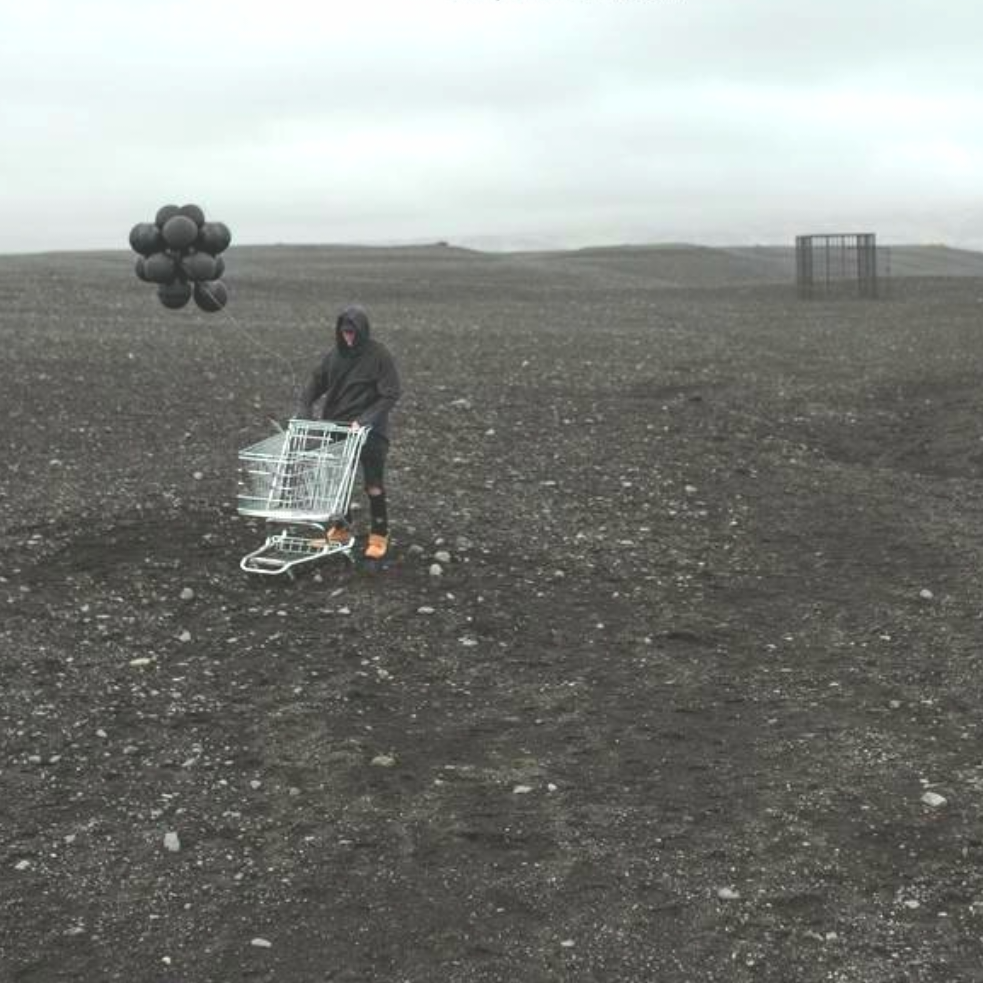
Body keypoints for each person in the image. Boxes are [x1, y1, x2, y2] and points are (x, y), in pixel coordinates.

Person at [295, 303, 401, 560]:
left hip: (370, 432)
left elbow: (390, 393)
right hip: (338, 427)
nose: (349, 338)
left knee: (373, 485)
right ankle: (341, 528)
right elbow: (316, 382)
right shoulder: (335, 356)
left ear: (362, 331)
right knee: (337, 481)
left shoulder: (379, 356)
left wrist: (365, 420)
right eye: (345, 333)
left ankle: (379, 534)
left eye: (353, 333)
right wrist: (305, 408)